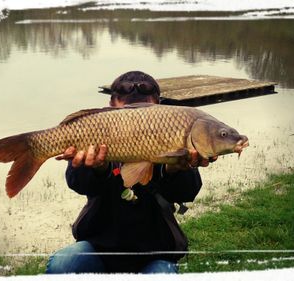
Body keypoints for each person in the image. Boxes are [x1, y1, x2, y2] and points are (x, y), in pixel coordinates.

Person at [46, 71, 217, 274]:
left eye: (146, 112)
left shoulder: (178, 139)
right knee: (63, 264)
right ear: (110, 107)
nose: (138, 121)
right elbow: (78, 184)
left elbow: (187, 193)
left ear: (159, 107)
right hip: (99, 245)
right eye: (127, 112)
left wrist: (174, 170)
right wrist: (99, 168)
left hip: (155, 249)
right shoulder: (95, 131)